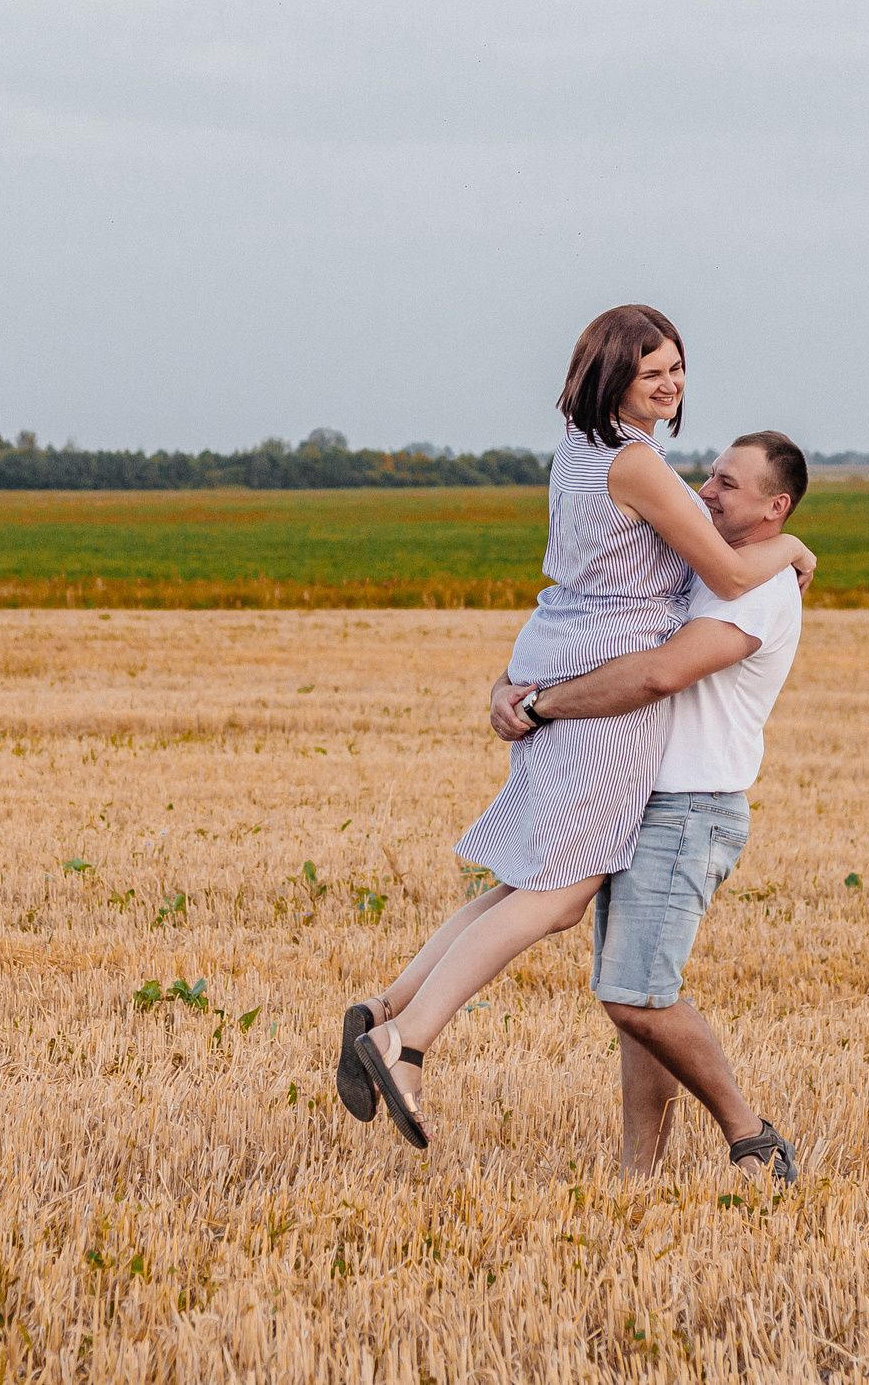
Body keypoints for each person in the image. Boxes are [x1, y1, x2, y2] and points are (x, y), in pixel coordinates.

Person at [338, 306, 814, 1151]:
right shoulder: (637, 463)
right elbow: (728, 577)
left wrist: (528, 686)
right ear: (612, 379)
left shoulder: (580, 449)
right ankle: (403, 1043)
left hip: (568, 659)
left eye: (676, 366)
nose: (669, 383)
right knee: (559, 897)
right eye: (650, 371)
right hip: (602, 697)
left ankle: (390, 1008)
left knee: (531, 881)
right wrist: (794, 548)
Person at [488, 431, 809, 1183]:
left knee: (636, 996)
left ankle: (752, 1136)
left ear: (774, 505)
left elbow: (661, 671)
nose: (706, 488)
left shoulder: (758, 590)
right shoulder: (709, 566)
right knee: (636, 1006)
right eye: (709, 474)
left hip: (691, 808)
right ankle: (639, 1177)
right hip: (638, 798)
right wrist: (510, 680)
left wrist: (542, 706)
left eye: (728, 483)